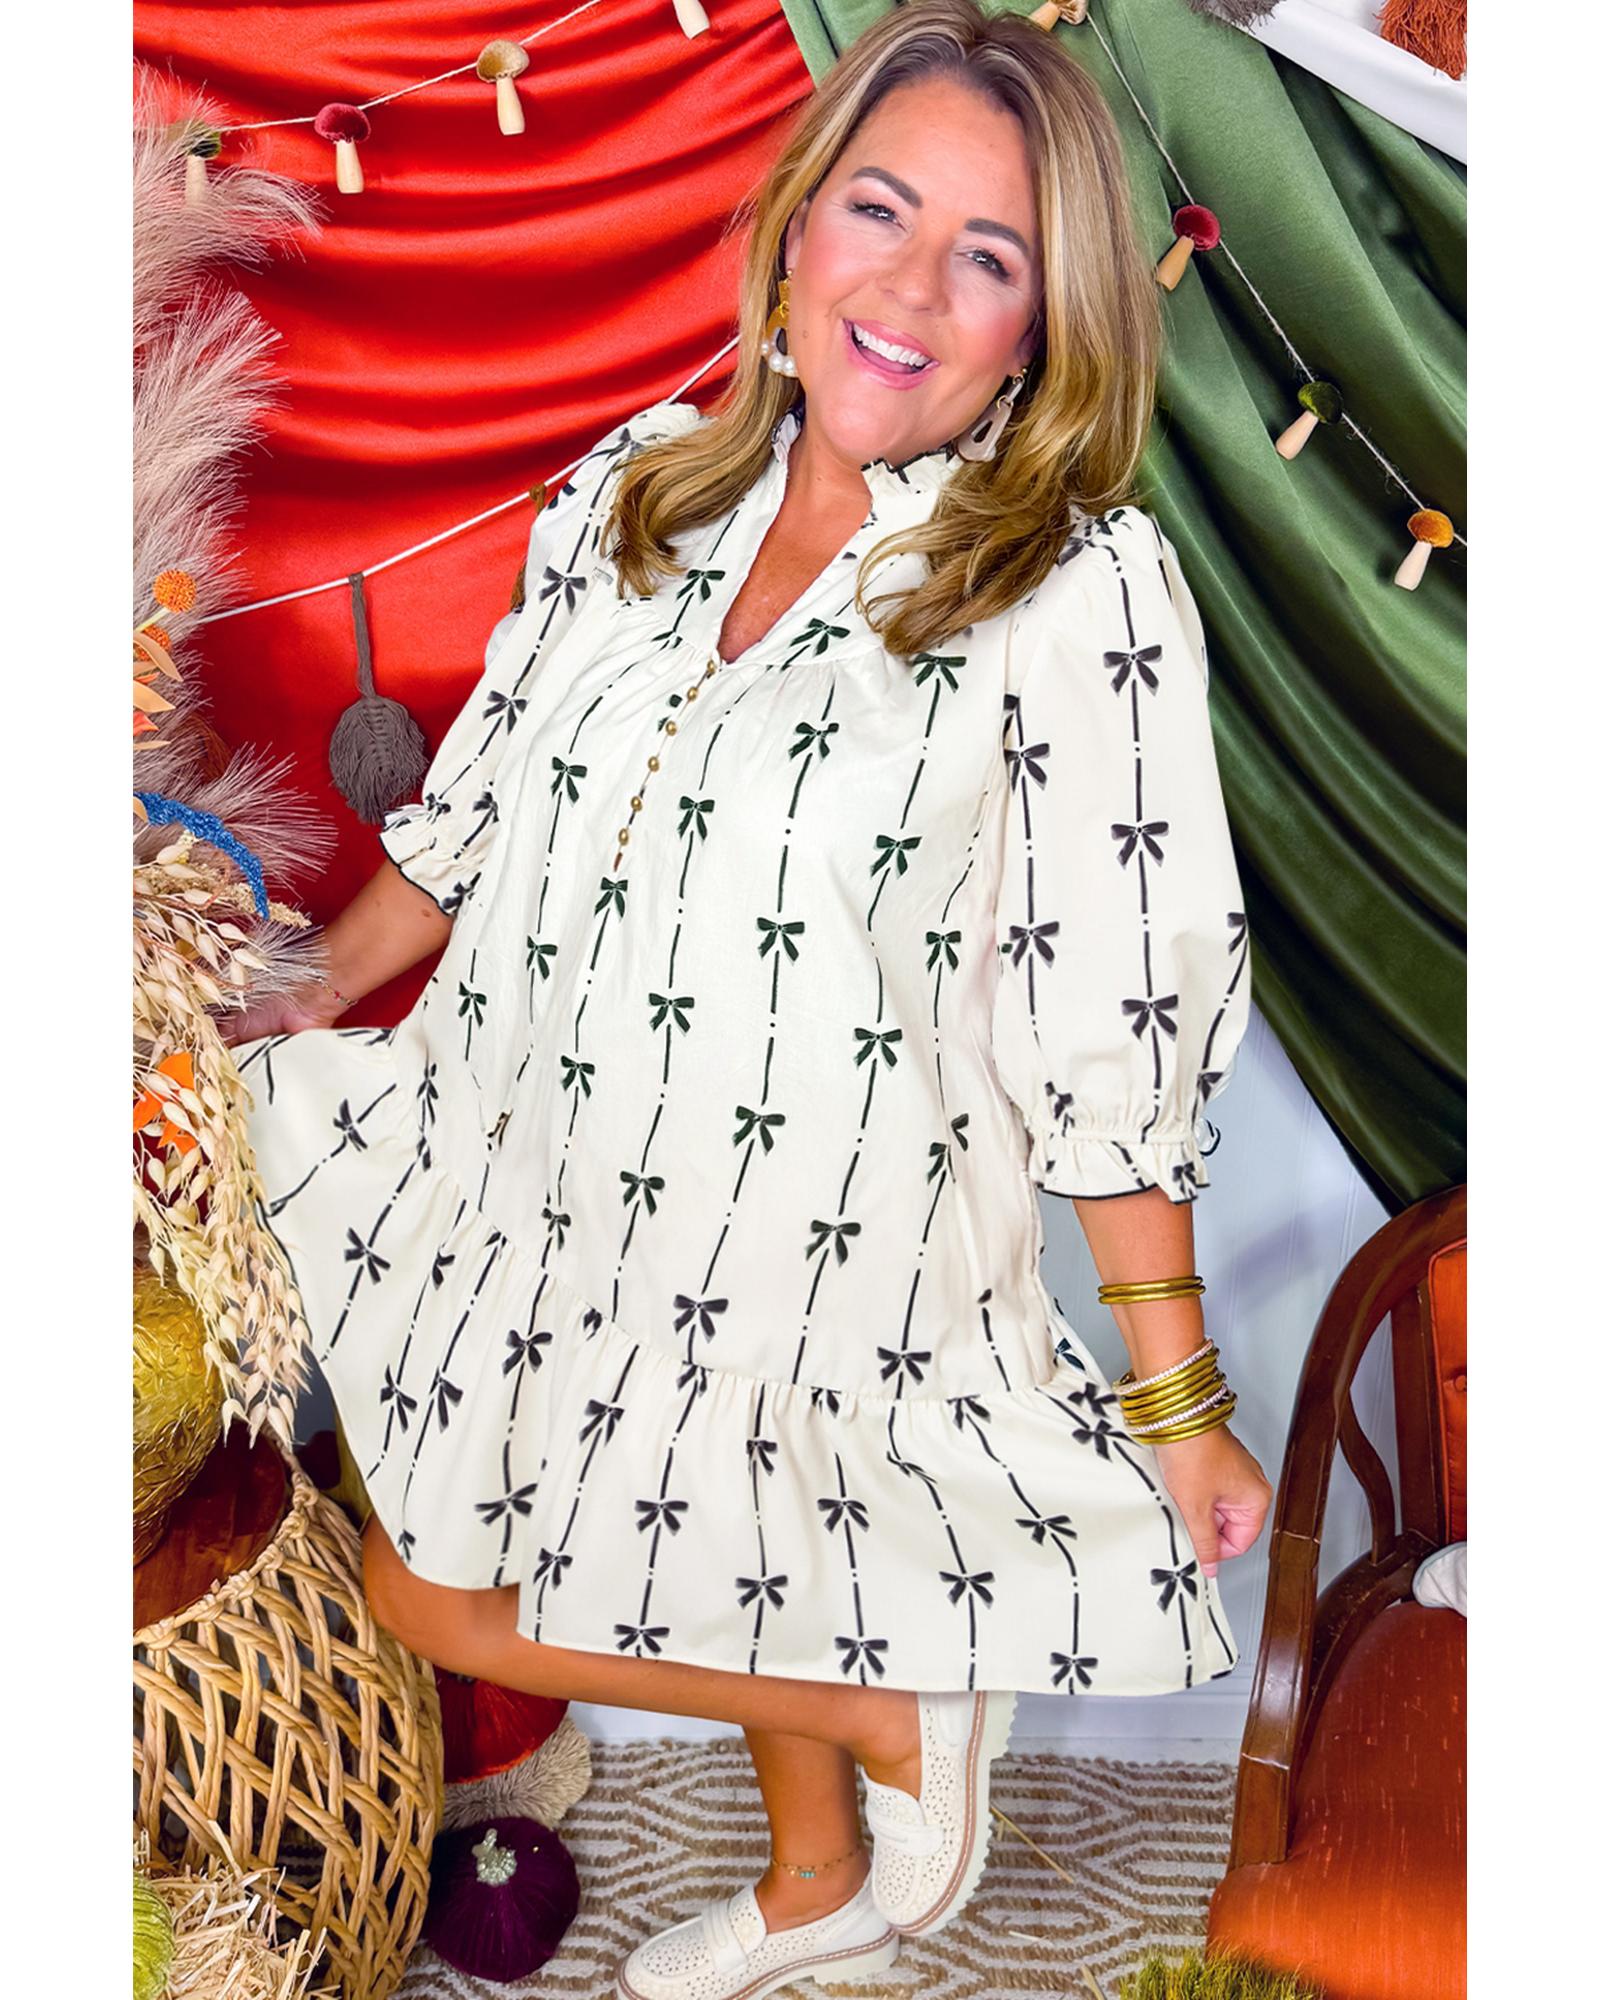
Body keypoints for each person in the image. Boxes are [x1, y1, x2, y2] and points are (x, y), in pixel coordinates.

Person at [228, 4, 1274, 1994]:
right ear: (796, 223)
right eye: (879, 210)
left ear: (1042, 329)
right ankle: (816, 1882)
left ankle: (892, 1717)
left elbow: (1113, 1010)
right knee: (593, 1565)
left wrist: (1180, 1402)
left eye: (987, 255)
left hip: (818, 1253)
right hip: (547, 1178)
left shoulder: (1075, 591)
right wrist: (304, 993)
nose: (910, 286)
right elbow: (472, 816)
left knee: (509, 1585)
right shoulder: (638, 492)